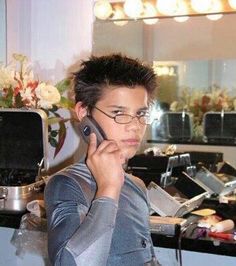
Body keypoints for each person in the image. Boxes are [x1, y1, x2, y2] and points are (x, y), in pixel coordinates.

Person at [44, 54, 159, 266]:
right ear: (84, 112)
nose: (135, 126)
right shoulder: (67, 184)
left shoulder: (136, 185)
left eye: (141, 113)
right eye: (118, 113)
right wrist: (108, 189)